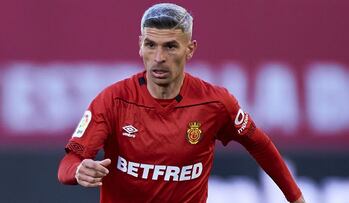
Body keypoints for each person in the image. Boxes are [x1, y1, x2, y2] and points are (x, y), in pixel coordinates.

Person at [58, 3, 305, 203]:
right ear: (140, 45)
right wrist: (77, 172)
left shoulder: (215, 103)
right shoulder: (113, 100)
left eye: (170, 47)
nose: (158, 58)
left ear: (190, 49)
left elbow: (260, 144)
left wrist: (296, 198)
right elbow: (68, 163)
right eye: (150, 45)